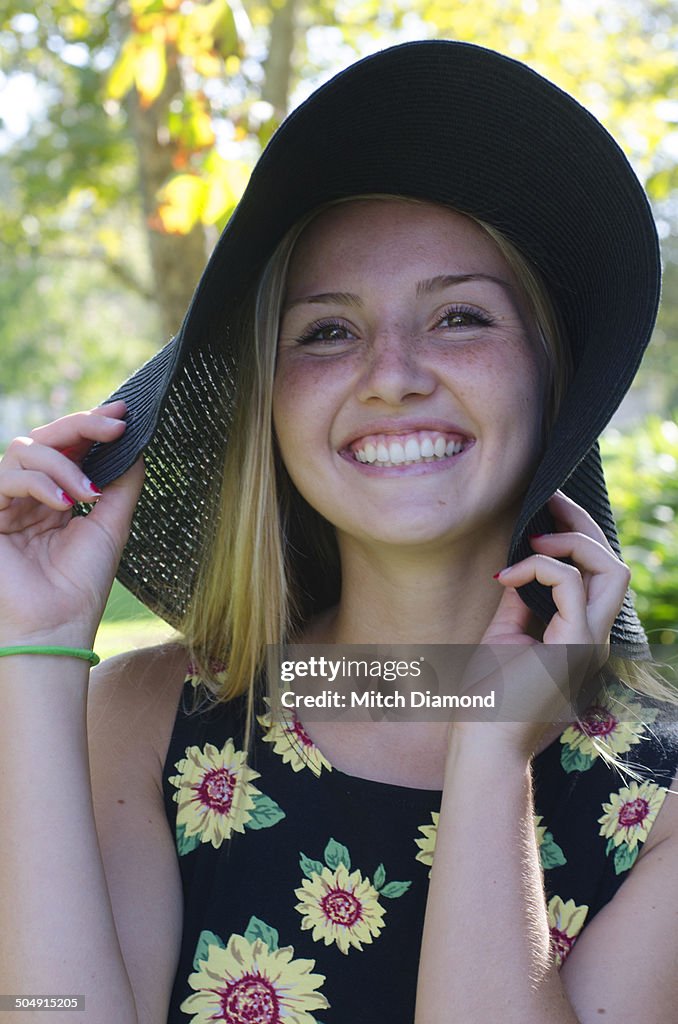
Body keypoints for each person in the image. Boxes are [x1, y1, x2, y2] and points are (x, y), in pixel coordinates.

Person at [1, 39, 677, 1024]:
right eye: (327, 331)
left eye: (459, 318)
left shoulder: (654, 798)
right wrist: (36, 646)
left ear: (553, 377)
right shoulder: (151, 718)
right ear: (271, 404)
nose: (392, 372)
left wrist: (491, 759)